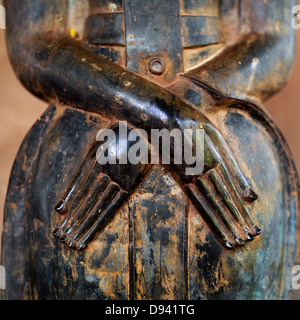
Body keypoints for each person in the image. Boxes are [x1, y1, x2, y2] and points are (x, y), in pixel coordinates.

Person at [1, 0, 298, 300]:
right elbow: (34, 43)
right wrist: (157, 114)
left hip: (213, 136)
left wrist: (172, 114)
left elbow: (270, 40)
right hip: (92, 141)